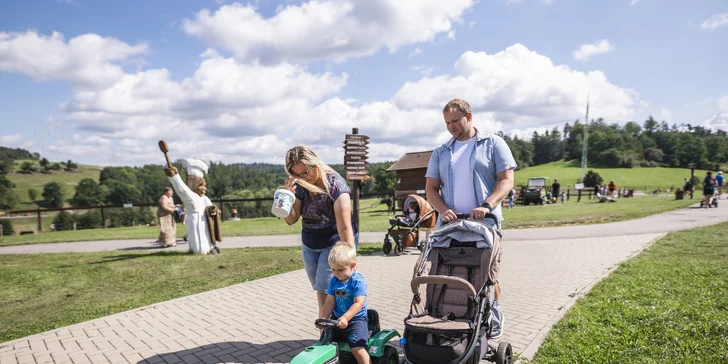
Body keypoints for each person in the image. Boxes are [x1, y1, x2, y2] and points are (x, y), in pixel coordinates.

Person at [425, 98, 517, 339]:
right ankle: (457, 318)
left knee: (487, 273)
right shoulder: (441, 152)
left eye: (455, 120)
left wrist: (487, 205)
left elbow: (506, 180)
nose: (451, 126)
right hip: (451, 226)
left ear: (469, 116)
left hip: (484, 224)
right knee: (452, 271)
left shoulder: (493, 143)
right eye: (447, 122)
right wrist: (443, 209)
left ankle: (493, 314)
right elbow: (431, 189)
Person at [281, 145, 358, 319]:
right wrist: (286, 199)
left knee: (327, 286)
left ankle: (328, 328)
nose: (302, 178)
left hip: (334, 240)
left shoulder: (336, 185)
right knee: (320, 287)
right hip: (310, 242)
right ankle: (331, 324)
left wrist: (349, 255)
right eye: (297, 175)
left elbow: (345, 226)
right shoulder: (300, 185)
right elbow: (291, 220)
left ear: (315, 163)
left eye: (305, 172)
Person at [320, 242, 369, 364]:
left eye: (341, 269)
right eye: (333, 269)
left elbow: (358, 303)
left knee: (357, 348)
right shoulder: (334, 281)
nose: (337, 273)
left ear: (352, 265)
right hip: (336, 320)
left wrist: (346, 317)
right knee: (323, 344)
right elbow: (329, 302)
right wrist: (324, 317)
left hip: (355, 321)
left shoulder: (357, 281)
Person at [165, 159, 220, 255]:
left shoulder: (205, 199)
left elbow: (212, 209)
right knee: (199, 243)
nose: (205, 188)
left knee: (207, 234)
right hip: (195, 221)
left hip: (206, 221)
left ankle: (211, 246)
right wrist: (174, 176)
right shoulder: (191, 197)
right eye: (202, 185)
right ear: (195, 185)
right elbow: (181, 189)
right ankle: (200, 250)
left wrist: (213, 211)